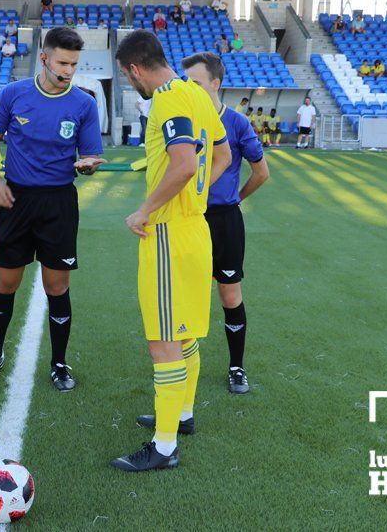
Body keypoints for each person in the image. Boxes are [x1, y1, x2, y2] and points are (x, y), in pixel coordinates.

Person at [111, 32, 231, 472]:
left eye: (128, 77)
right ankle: (182, 415)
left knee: (162, 341)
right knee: (184, 334)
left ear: (134, 69)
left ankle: (163, 448)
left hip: (166, 235)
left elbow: (183, 163)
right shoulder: (197, 94)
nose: (131, 84)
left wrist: (144, 210)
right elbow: (222, 156)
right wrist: (195, 198)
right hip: (194, 230)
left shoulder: (165, 99)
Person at [0, 27, 104, 391]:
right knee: (5, 282)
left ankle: (59, 363)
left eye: (74, 64)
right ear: (44, 58)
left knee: (57, 286)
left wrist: (89, 165)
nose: (68, 70)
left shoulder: (84, 104)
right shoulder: (12, 95)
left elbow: (91, 154)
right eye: (62, 62)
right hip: (16, 200)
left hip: (59, 202)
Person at [183, 52, 269, 394]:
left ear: (215, 84)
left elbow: (261, 173)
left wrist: (234, 199)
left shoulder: (236, 123)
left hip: (224, 221)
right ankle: (183, 366)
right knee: (187, 295)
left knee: (230, 294)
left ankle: (236, 367)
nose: (189, 89)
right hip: (188, 219)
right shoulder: (183, 121)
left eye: (196, 83)